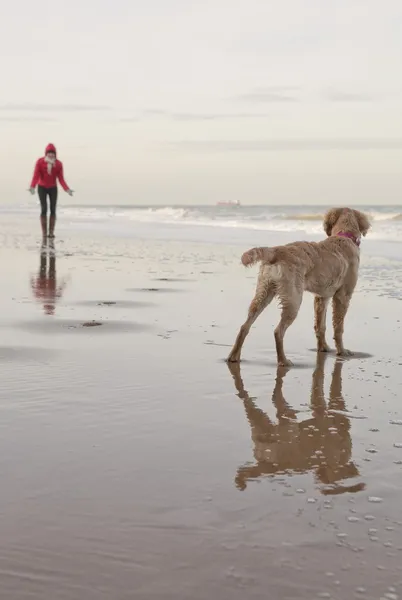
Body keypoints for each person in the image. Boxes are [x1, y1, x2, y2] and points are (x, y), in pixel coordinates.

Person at [29, 143, 74, 238]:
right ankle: (44, 233)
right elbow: (36, 175)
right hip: (42, 187)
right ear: (46, 153)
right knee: (44, 209)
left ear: (55, 154)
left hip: (53, 188)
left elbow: (61, 178)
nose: (51, 155)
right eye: (49, 153)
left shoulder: (58, 164)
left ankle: (51, 232)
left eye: (52, 153)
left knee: (53, 210)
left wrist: (67, 189)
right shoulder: (40, 162)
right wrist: (32, 186)